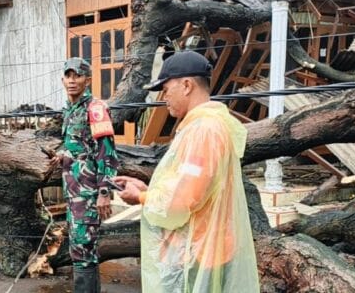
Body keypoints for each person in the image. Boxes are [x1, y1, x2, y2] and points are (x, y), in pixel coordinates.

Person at [115, 51, 259, 293]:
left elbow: (181, 203)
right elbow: (193, 187)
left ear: (187, 85)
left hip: (199, 250)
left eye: (166, 88)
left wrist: (139, 197)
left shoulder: (204, 131)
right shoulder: (208, 125)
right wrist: (148, 190)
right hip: (208, 245)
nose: (164, 97)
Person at [51, 57, 119, 293]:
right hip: (73, 192)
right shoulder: (71, 109)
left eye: (77, 75)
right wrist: (63, 154)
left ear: (88, 80)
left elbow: (107, 152)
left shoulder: (96, 109)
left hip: (88, 193)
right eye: (68, 75)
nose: (72, 80)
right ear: (63, 79)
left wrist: (104, 192)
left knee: (83, 248)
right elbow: (79, 144)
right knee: (80, 248)